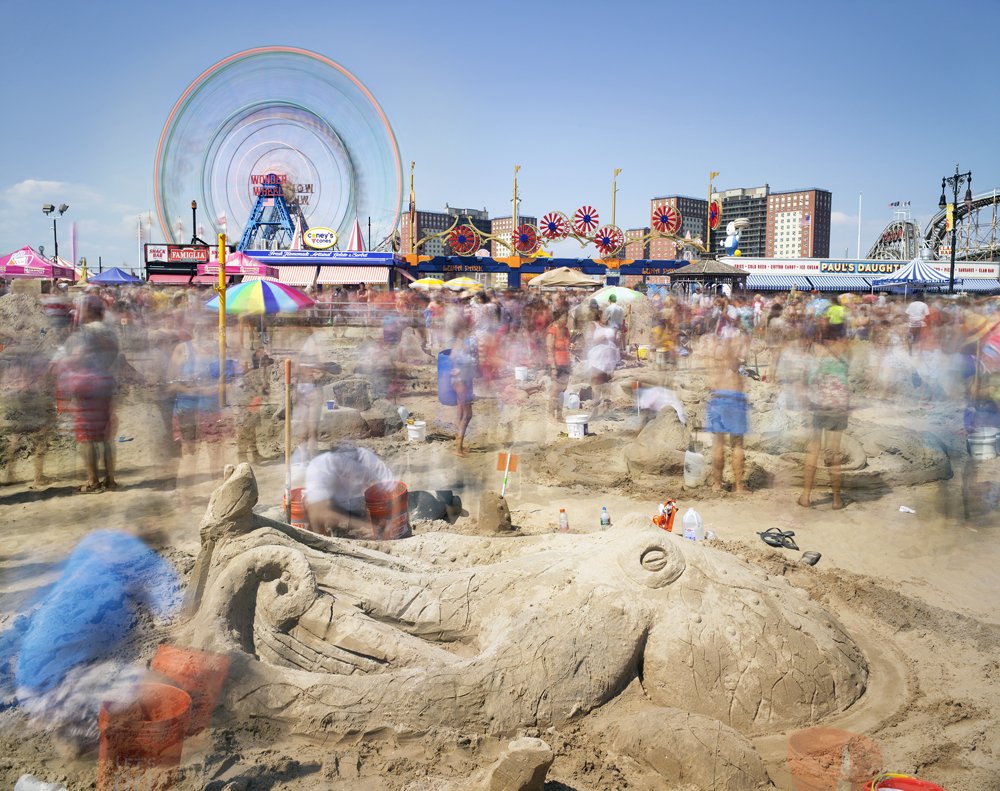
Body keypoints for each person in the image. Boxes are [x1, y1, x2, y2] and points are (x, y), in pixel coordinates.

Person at [62, 297, 121, 493]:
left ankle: (92, 480)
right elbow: (115, 355)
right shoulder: (110, 332)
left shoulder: (84, 333)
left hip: (85, 387)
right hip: (105, 384)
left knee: (86, 436)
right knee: (106, 435)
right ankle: (110, 479)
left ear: (87, 312)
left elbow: (77, 356)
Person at [798, 322, 851, 509]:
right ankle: (837, 500)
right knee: (834, 452)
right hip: (838, 406)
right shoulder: (844, 356)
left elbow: (806, 379)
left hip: (818, 404)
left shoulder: (815, 354)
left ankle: (806, 497)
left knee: (813, 449)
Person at [304, 444, 395, 538]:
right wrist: (361, 525)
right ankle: (322, 537)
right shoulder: (321, 467)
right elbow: (320, 512)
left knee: (375, 493)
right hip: (331, 505)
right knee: (310, 504)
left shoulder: (366, 459)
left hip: (357, 502)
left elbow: (392, 489)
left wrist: (386, 518)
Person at [705, 335, 750, 493]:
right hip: (735, 398)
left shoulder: (716, 353)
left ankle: (717, 484)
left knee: (718, 444)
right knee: (737, 444)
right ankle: (738, 485)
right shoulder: (738, 348)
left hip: (718, 398)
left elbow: (710, 382)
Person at [546, 309, 572, 420]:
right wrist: (553, 367)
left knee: (563, 390)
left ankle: (560, 415)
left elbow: (567, 347)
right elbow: (549, 350)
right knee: (555, 390)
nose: (566, 320)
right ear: (558, 318)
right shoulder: (552, 330)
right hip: (556, 364)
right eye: (564, 318)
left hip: (565, 363)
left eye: (567, 318)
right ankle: (551, 414)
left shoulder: (566, 330)